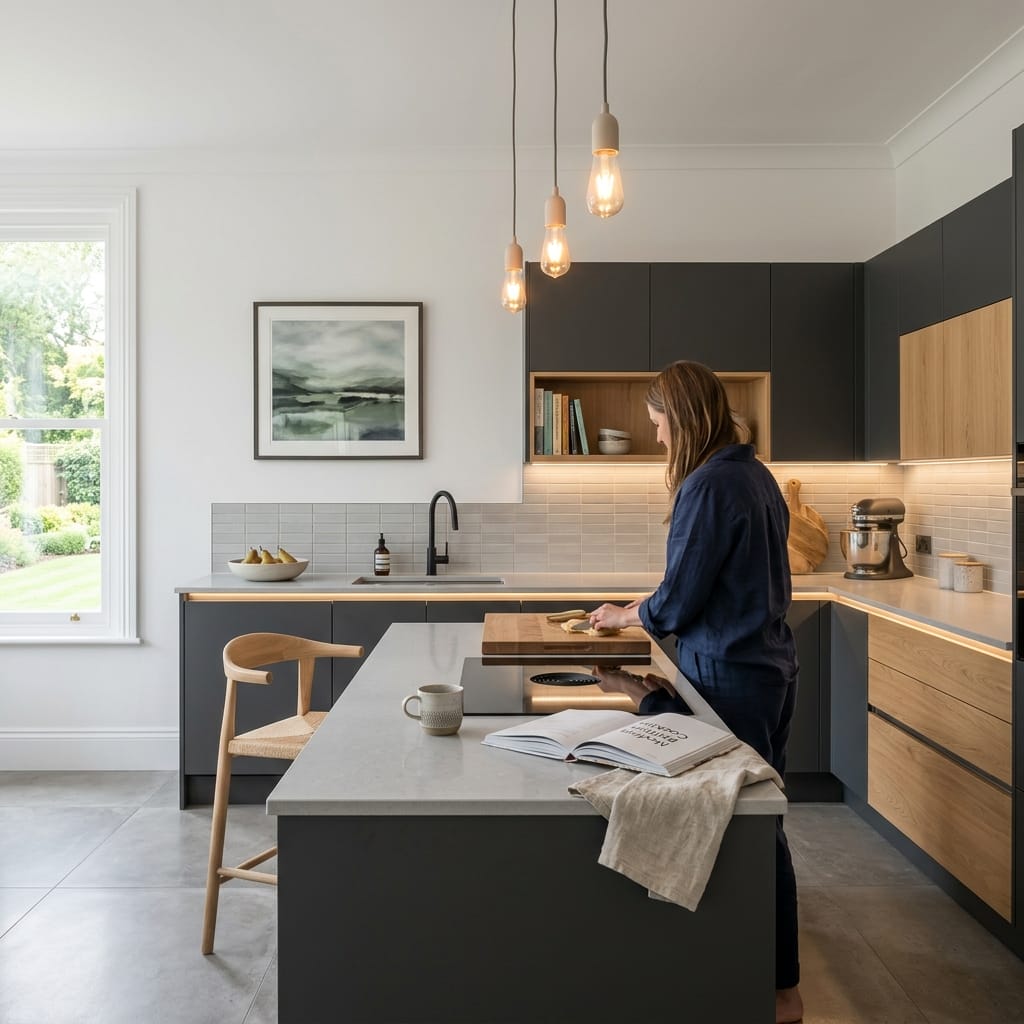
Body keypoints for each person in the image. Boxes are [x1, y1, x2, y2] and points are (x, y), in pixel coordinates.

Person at [589, 359, 803, 1024]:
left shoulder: (708, 485)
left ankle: (780, 989)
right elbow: (710, 583)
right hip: (768, 667)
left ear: (681, 420)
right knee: (758, 817)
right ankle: (758, 967)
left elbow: (681, 600)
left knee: (749, 825)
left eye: (656, 425)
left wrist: (626, 617)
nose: (655, 440)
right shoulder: (754, 474)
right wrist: (646, 607)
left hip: (731, 673)